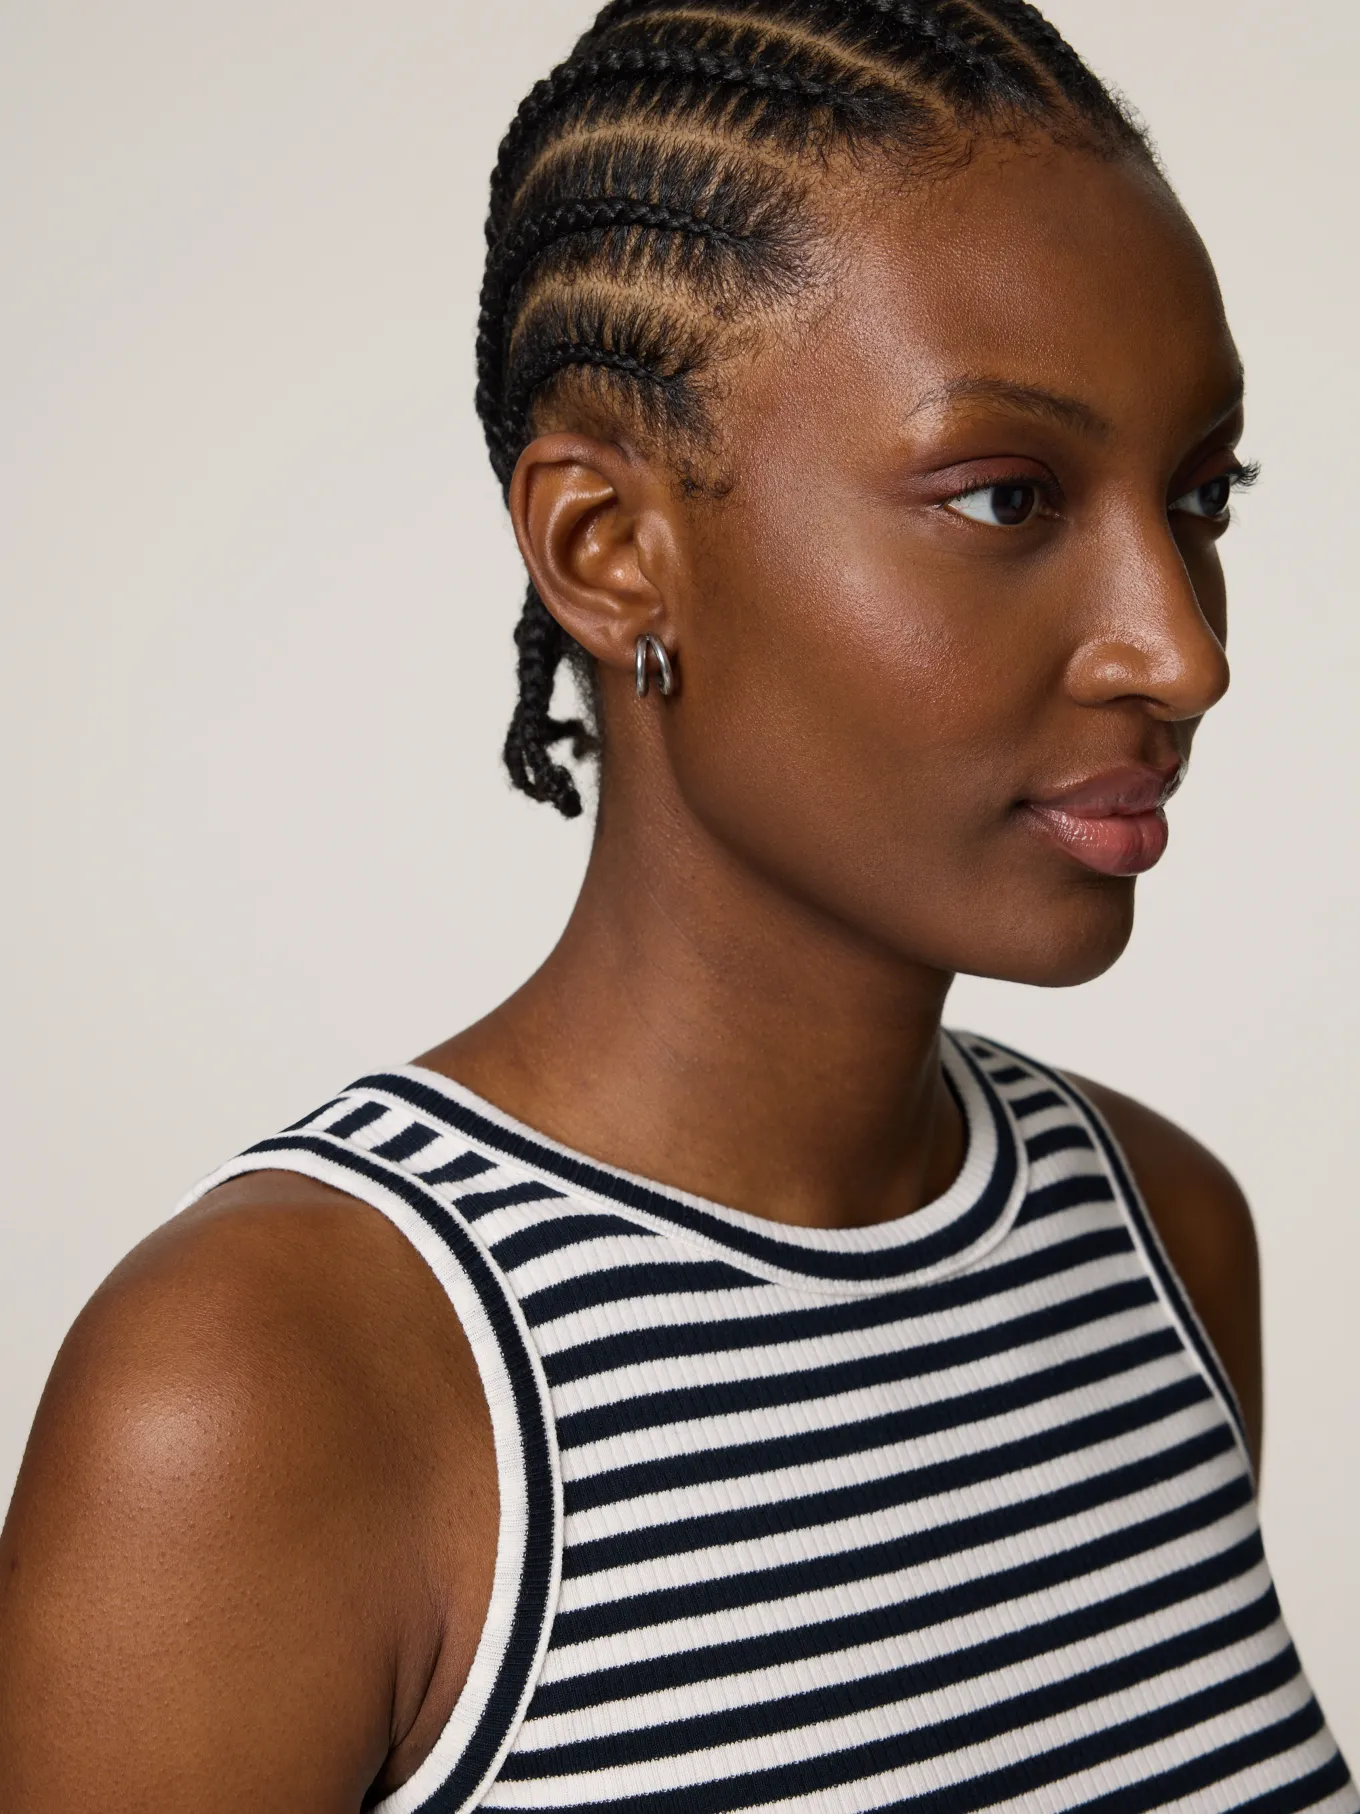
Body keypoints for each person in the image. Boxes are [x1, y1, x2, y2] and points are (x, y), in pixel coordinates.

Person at [0, 2, 1352, 1809]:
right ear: (608, 547)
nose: (1180, 650)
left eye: (1200, 497)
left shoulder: (1162, 1240)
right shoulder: (275, 1395)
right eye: (1007, 496)